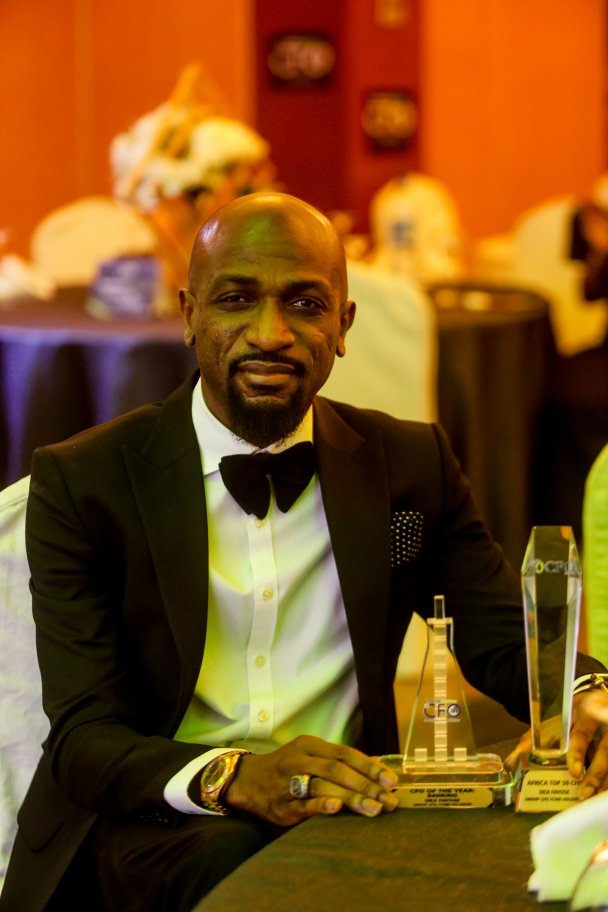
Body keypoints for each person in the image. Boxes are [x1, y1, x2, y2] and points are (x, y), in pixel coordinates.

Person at [1, 192, 606, 912]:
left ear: (343, 325)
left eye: (306, 304)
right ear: (189, 314)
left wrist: (587, 696)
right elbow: (85, 739)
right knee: (235, 864)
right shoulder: (89, 481)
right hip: (153, 821)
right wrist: (234, 775)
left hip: (348, 812)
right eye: (236, 300)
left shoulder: (408, 468)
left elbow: (505, 640)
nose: (271, 334)